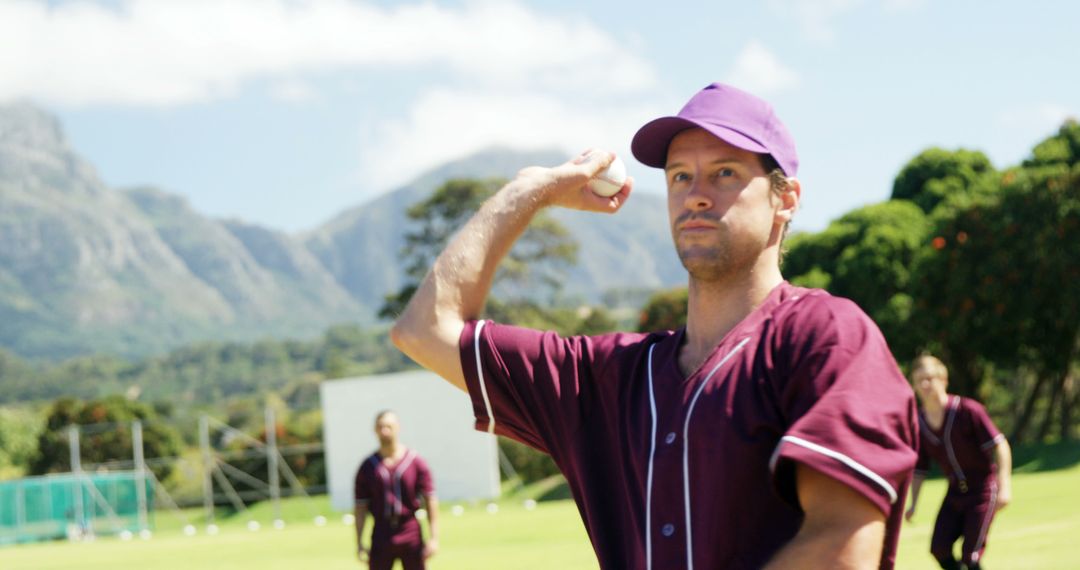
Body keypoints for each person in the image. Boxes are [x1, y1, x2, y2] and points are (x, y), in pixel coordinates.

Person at [391, 82, 919, 569]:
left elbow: (844, 545)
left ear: (785, 199)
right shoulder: (605, 377)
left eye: (726, 173)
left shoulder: (823, 334)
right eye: (680, 176)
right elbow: (424, 329)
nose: (696, 194)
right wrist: (528, 193)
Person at [905, 355, 1012, 570]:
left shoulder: (968, 410)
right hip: (955, 493)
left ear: (943, 380)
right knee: (939, 549)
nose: (925, 385)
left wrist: (1004, 487)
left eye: (930, 378)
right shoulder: (919, 422)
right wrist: (913, 504)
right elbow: (920, 468)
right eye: (919, 380)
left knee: (970, 556)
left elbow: (1000, 445)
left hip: (982, 490)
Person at [353, 410, 439, 570]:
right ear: (375, 430)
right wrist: (359, 542)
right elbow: (360, 506)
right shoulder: (368, 466)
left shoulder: (415, 461)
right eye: (380, 427)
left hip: (410, 530)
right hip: (381, 532)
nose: (384, 431)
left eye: (389, 426)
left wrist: (434, 538)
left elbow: (430, 499)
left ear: (398, 427)